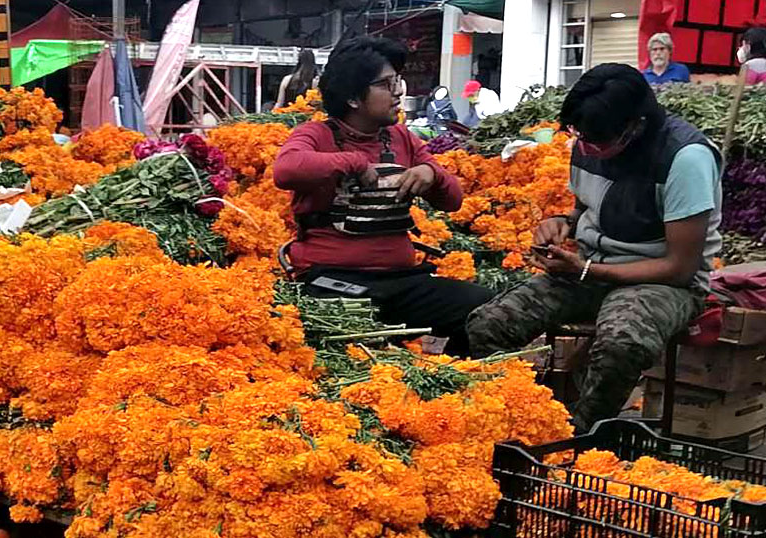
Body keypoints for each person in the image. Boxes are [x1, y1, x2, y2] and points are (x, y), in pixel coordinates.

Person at [466, 64, 721, 432]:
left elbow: (679, 267)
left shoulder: (685, 159)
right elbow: (589, 205)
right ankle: (515, 420)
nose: (584, 149)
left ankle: (579, 437)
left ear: (635, 127)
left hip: (663, 282)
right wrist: (563, 222)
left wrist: (586, 270)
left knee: (621, 344)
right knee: (489, 324)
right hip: (591, 269)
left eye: (596, 143)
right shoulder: (588, 140)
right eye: (578, 137)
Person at [273, 37, 493, 355]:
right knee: (351, 331)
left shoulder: (403, 138)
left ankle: (451, 384)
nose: (398, 91)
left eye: (397, 81)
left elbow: (453, 200)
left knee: (484, 310)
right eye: (385, 84)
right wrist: (353, 163)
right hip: (334, 282)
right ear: (352, 98)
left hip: (401, 282)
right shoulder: (315, 135)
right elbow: (286, 170)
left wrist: (431, 176)